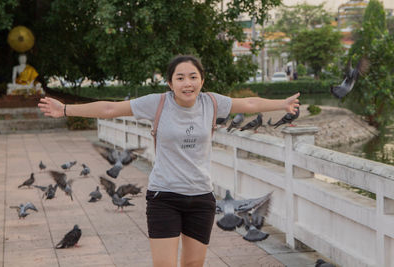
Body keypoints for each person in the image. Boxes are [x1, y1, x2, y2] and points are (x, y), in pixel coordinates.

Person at [38, 55, 300, 267]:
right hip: (164, 197)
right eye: (181, 78)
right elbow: (110, 109)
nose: (188, 83)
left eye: (193, 77)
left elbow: (250, 103)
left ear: (202, 80)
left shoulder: (211, 103)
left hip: (201, 198)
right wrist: (64, 109)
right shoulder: (157, 103)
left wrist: (282, 103)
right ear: (170, 82)